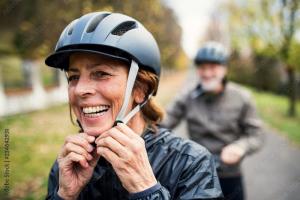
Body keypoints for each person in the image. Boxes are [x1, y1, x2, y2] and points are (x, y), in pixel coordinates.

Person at [45, 12, 223, 200]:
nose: (80, 89)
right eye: (73, 77)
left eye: (100, 73)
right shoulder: (67, 164)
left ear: (140, 89)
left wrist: (146, 189)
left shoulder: (192, 163)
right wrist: (64, 195)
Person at [161, 41, 264, 200]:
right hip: (196, 173)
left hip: (230, 174)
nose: (207, 73)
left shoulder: (242, 97)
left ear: (224, 69)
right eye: (202, 67)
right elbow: (163, 122)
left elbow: (256, 134)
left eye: (213, 67)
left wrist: (240, 147)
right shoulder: (187, 96)